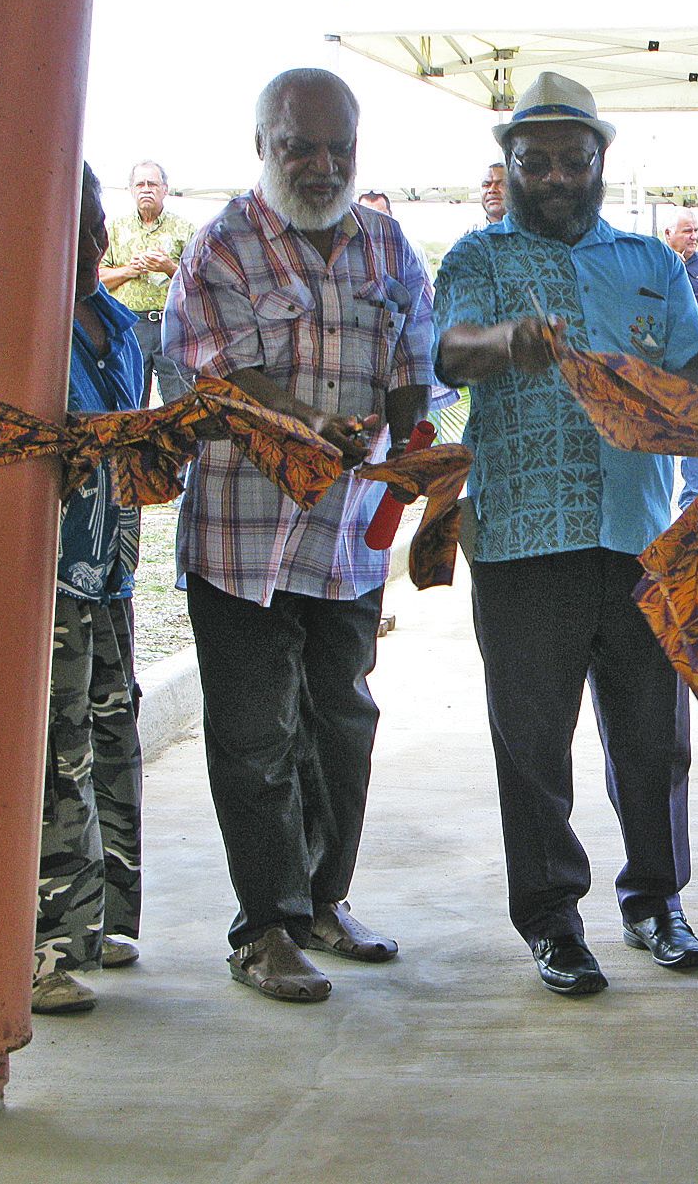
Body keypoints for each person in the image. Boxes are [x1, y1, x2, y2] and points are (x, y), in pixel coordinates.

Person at [434, 72, 698, 998]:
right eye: (535, 161)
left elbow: (697, 366)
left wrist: (676, 389)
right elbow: (447, 349)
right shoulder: (478, 256)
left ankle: (656, 901)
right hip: (522, 538)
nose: (555, 176)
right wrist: (506, 342)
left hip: (638, 534)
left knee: (653, 736)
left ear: (600, 162)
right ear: (509, 166)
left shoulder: (651, 261)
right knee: (533, 744)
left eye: (573, 160)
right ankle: (553, 920)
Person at [163, 68, 440, 1002]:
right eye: (299, 148)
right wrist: (305, 423)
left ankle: (324, 902)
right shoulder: (222, 247)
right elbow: (213, 377)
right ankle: (266, 930)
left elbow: (412, 364)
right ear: (262, 147)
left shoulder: (389, 245)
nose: (323, 166)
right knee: (255, 737)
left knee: (342, 725)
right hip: (242, 538)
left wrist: (414, 446)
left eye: (339, 148)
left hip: (348, 538)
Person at [32, 162, 146, 1016]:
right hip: (47, 578)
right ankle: (43, 947)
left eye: (98, 222)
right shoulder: (21, 330)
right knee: (53, 753)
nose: (94, 240)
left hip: (109, 569)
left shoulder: (119, 325)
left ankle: (99, 921)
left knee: (112, 736)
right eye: (75, 224)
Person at [102, 160, 195, 406]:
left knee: (180, 399)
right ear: (131, 190)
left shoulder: (185, 229)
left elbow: (200, 280)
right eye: (140, 184)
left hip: (173, 323)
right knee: (131, 398)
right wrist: (129, 270)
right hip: (131, 324)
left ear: (165, 189)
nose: (146, 189)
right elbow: (97, 278)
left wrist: (169, 267)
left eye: (152, 184)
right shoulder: (114, 229)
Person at [663, 207, 698, 510]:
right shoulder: (656, 264)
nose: (694, 236)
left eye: (696, 230)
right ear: (668, 234)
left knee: (696, 433)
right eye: (687, 231)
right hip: (661, 365)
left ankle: (693, 501)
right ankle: (659, 499)